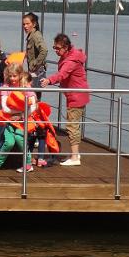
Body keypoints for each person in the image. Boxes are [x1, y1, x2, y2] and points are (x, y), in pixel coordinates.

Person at [41, 33, 90, 166]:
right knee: (74, 124)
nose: (56, 51)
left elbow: (62, 74)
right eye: (54, 48)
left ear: (66, 47)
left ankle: (75, 157)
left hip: (76, 96)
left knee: (72, 126)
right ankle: (76, 153)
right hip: (76, 94)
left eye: (58, 48)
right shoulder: (70, 56)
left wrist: (49, 80)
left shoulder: (70, 61)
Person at [0, 63, 37, 172]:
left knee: (20, 138)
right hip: (9, 120)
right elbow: (5, 108)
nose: (12, 79)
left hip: (23, 119)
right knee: (9, 142)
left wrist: (20, 115)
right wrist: (15, 114)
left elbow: (33, 105)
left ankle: (28, 164)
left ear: (20, 75)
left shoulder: (25, 86)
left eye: (15, 76)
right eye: (10, 76)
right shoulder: (5, 87)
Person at [23, 12, 48, 99]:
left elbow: (44, 50)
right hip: (34, 71)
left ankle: (35, 112)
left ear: (34, 24)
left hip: (37, 71)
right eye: (24, 24)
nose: (25, 26)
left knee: (34, 96)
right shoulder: (31, 35)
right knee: (32, 95)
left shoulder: (36, 35)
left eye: (27, 24)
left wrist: (35, 63)